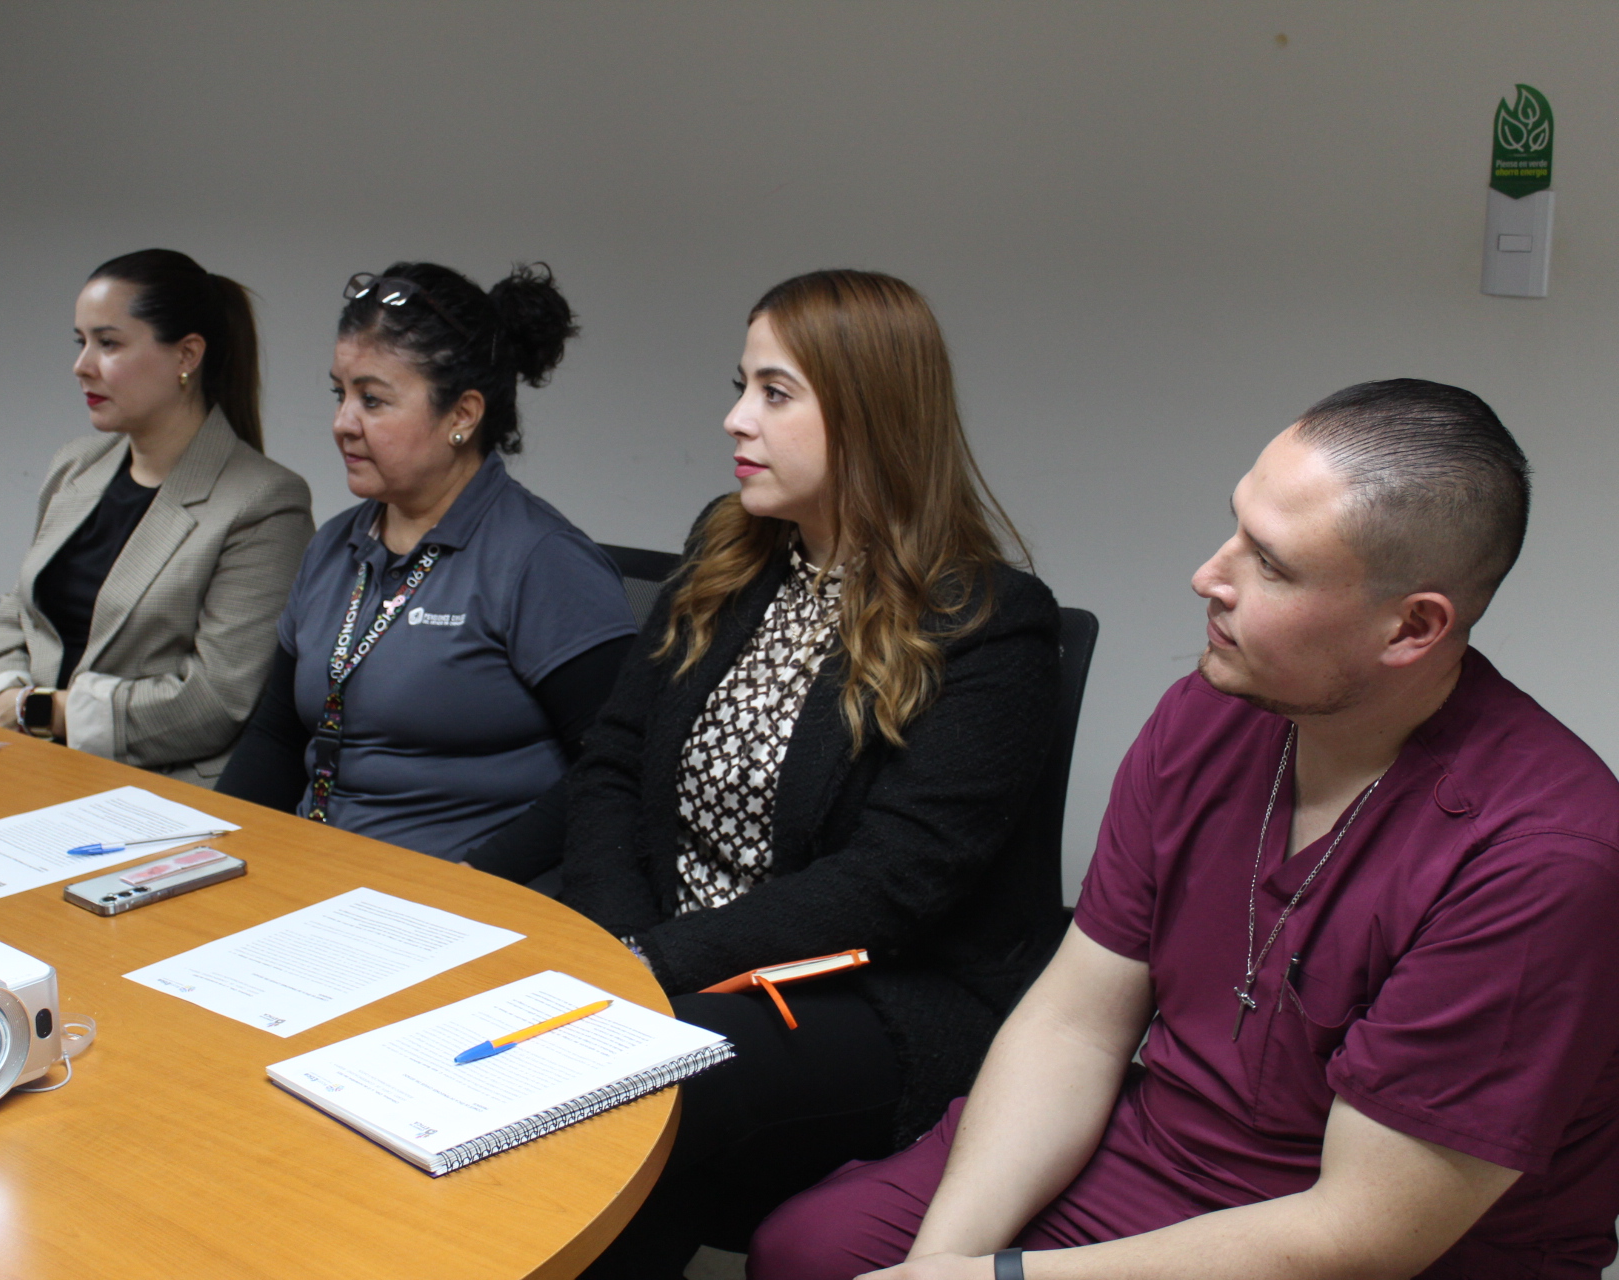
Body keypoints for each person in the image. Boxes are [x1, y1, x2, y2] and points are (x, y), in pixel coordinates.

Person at [750, 380, 1619, 1280]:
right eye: (1235, 528)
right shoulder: (1208, 716)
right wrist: (942, 1262)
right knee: (808, 1254)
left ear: (1412, 627)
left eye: (1271, 566)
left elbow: (1361, 1234)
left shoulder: (1542, 860)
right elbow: (1076, 1025)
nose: (1209, 576)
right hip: (1158, 1157)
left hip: (1373, 1243)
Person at [561, 270, 1065, 1278]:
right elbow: (611, 762)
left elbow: (892, 882)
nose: (735, 418)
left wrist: (651, 964)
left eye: (775, 393)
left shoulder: (990, 622)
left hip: (873, 991)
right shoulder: (727, 550)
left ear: (871, 415)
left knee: (631, 1079)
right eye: (741, 385)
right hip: (668, 953)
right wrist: (622, 944)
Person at [215, 261, 636, 861]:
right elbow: (277, 736)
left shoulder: (541, 560)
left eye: (373, 400)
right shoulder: (335, 545)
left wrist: (471, 882)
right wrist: (215, 854)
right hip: (315, 875)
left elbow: (615, 768)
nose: (342, 423)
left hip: (461, 892)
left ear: (462, 415)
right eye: (340, 393)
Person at [0, 249, 313, 787]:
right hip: (31, 764)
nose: (82, 365)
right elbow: (20, 611)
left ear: (187, 355)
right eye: (81, 342)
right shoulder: (74, 465)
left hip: (160, 792)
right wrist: (4, 695)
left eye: (108, 343)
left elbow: (215, 701)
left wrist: (43, 711)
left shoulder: (264, 501)